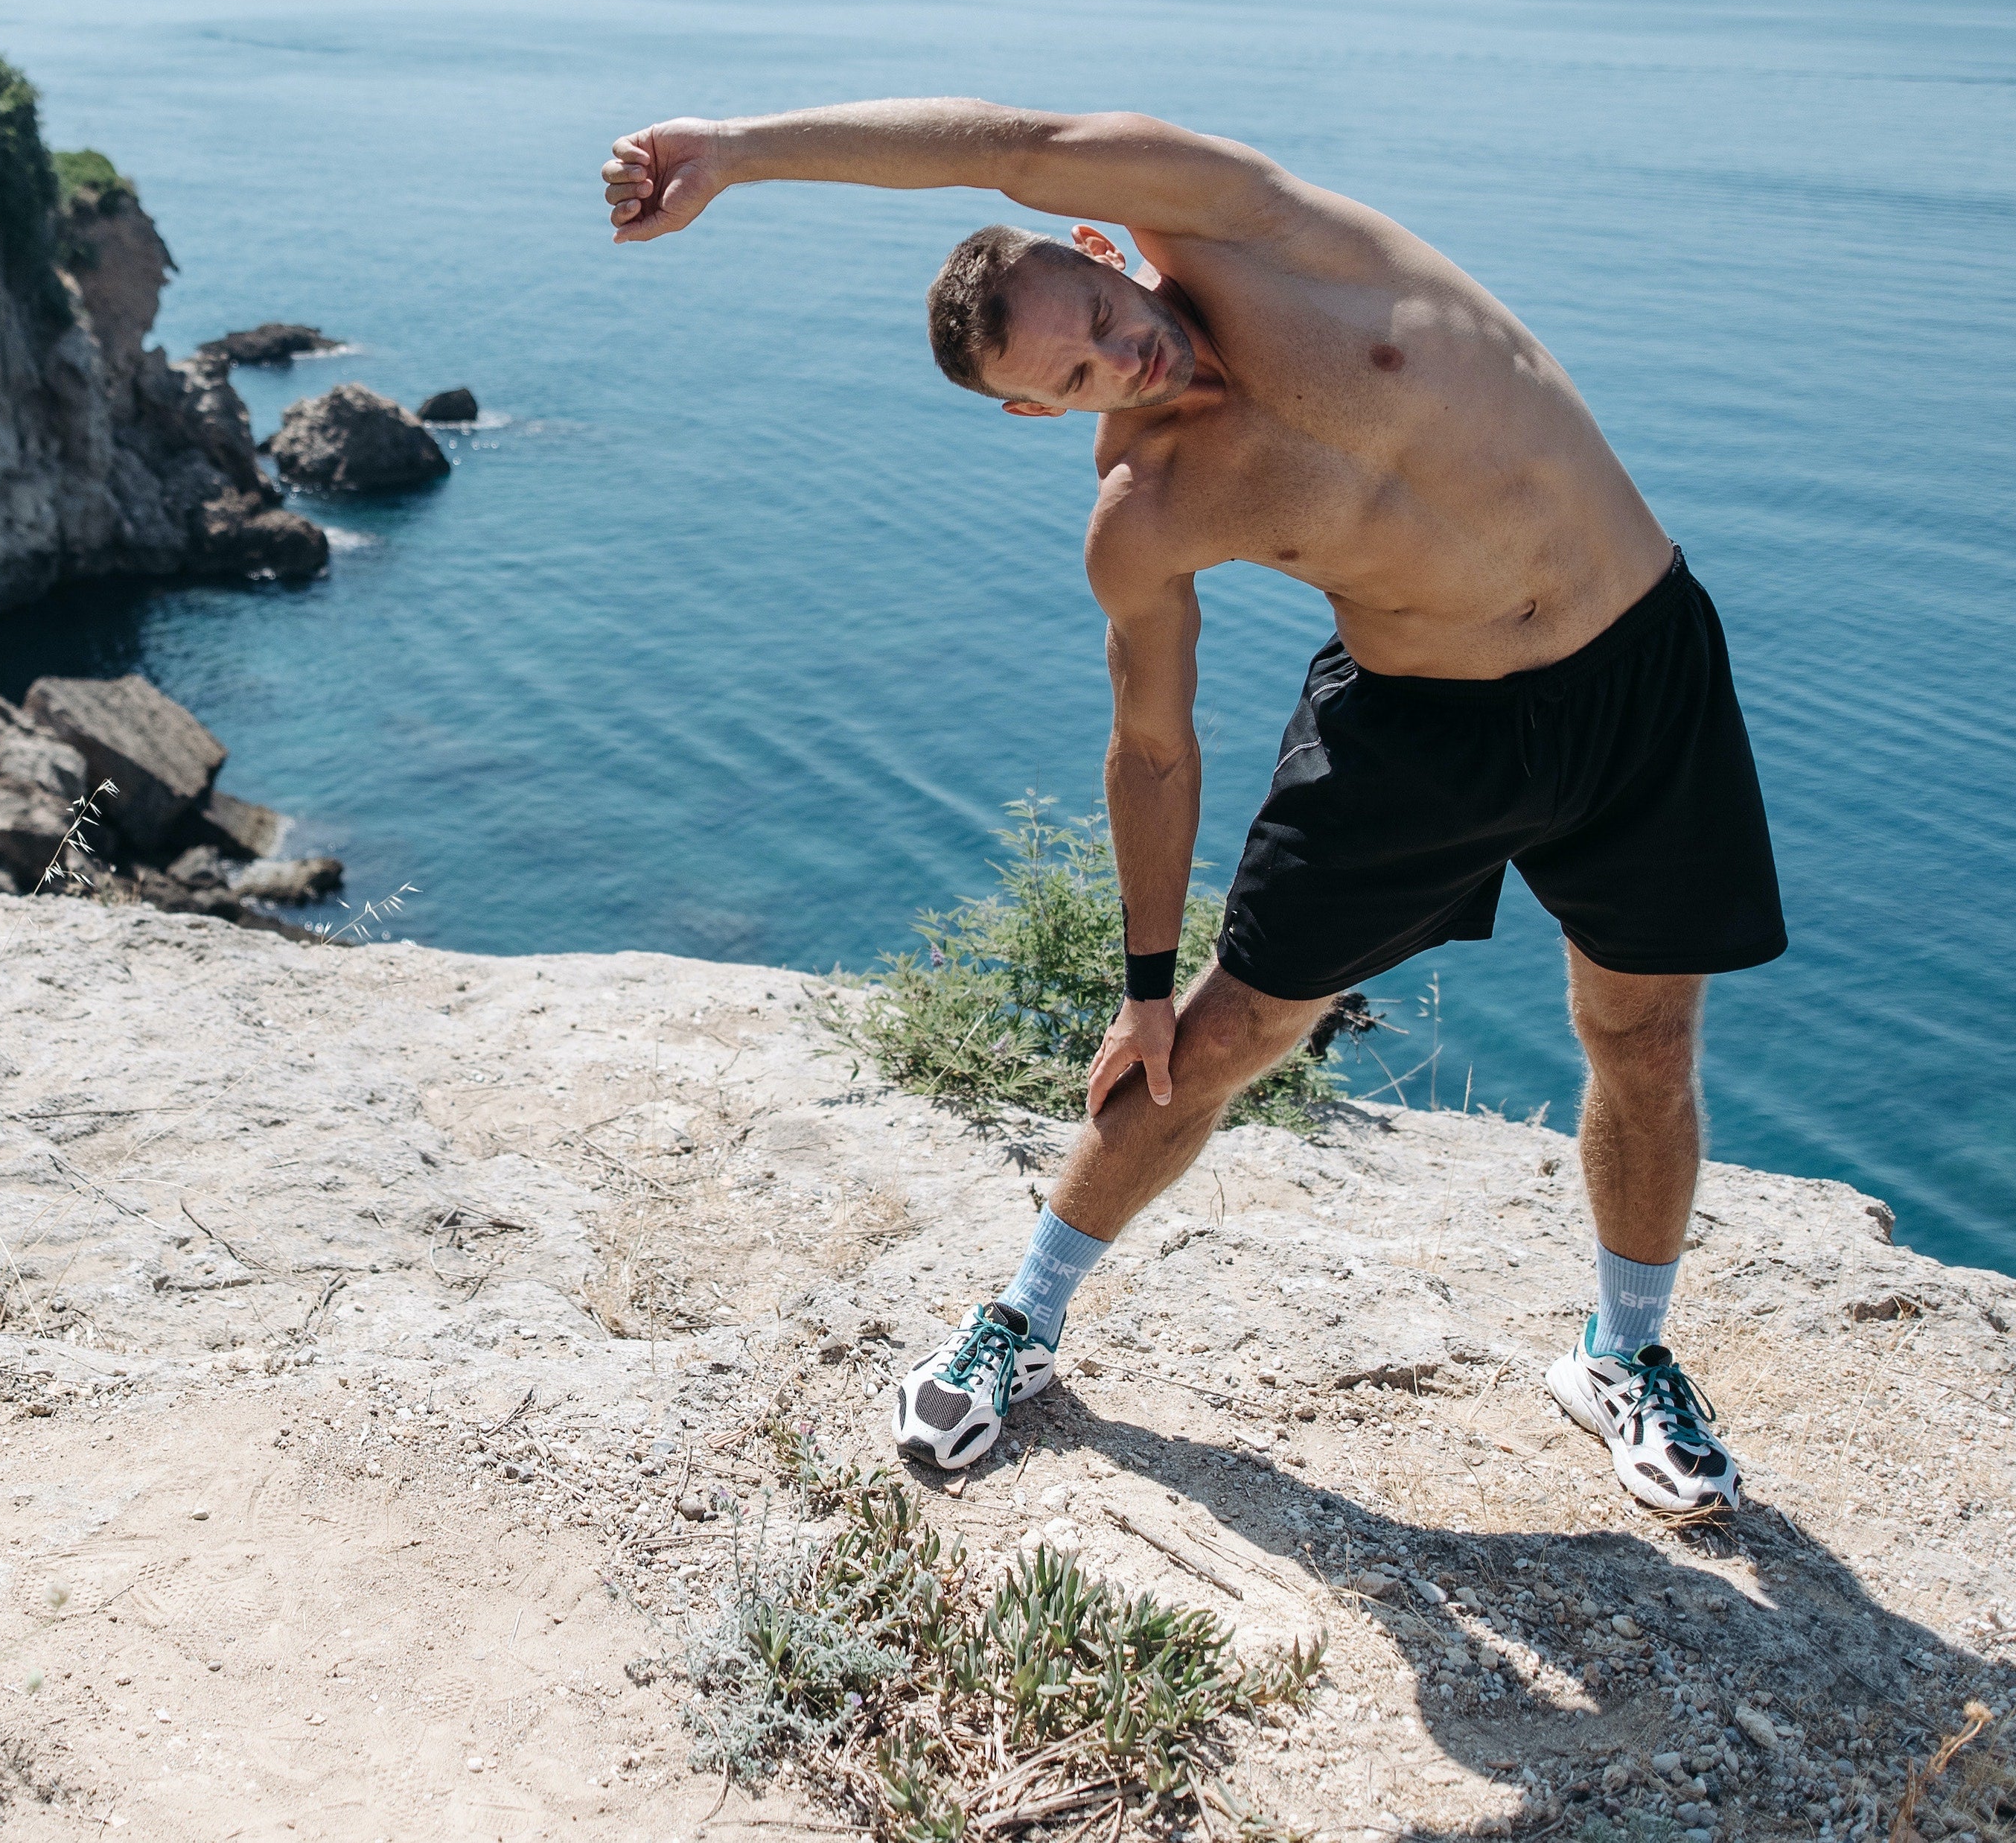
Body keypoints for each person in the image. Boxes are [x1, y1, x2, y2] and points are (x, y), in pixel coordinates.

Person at [602, 100, 1784, 1516]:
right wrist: (1143, 982)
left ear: (1103, 246)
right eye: (1083, 368)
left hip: (1640, 664)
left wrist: (735, 150)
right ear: (1041, 410)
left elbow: (1012, 141)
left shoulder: (1255, 228)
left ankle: (1624, 1352)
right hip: (1421, 726)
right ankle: (1023, 1321)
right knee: (1207, 1043)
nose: (1127, 350)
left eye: (1101, 306)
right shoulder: (1144, 515)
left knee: (1645, 1036)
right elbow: (1151, 749)